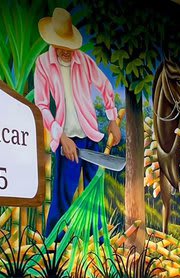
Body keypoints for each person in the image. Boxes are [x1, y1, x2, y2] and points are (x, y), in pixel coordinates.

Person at [34, 8, 121, 236]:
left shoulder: (84, 61)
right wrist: (61, 137)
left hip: (91, 136)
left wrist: (112, 120)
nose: (67, 52)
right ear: (53, 43)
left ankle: (96, 238)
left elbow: (105, 86)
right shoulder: (43, 64)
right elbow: (42, 105)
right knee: (64, 191)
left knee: (94, 191)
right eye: (63, 46)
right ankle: (54, 240)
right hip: (67, 140)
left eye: (70, 47)